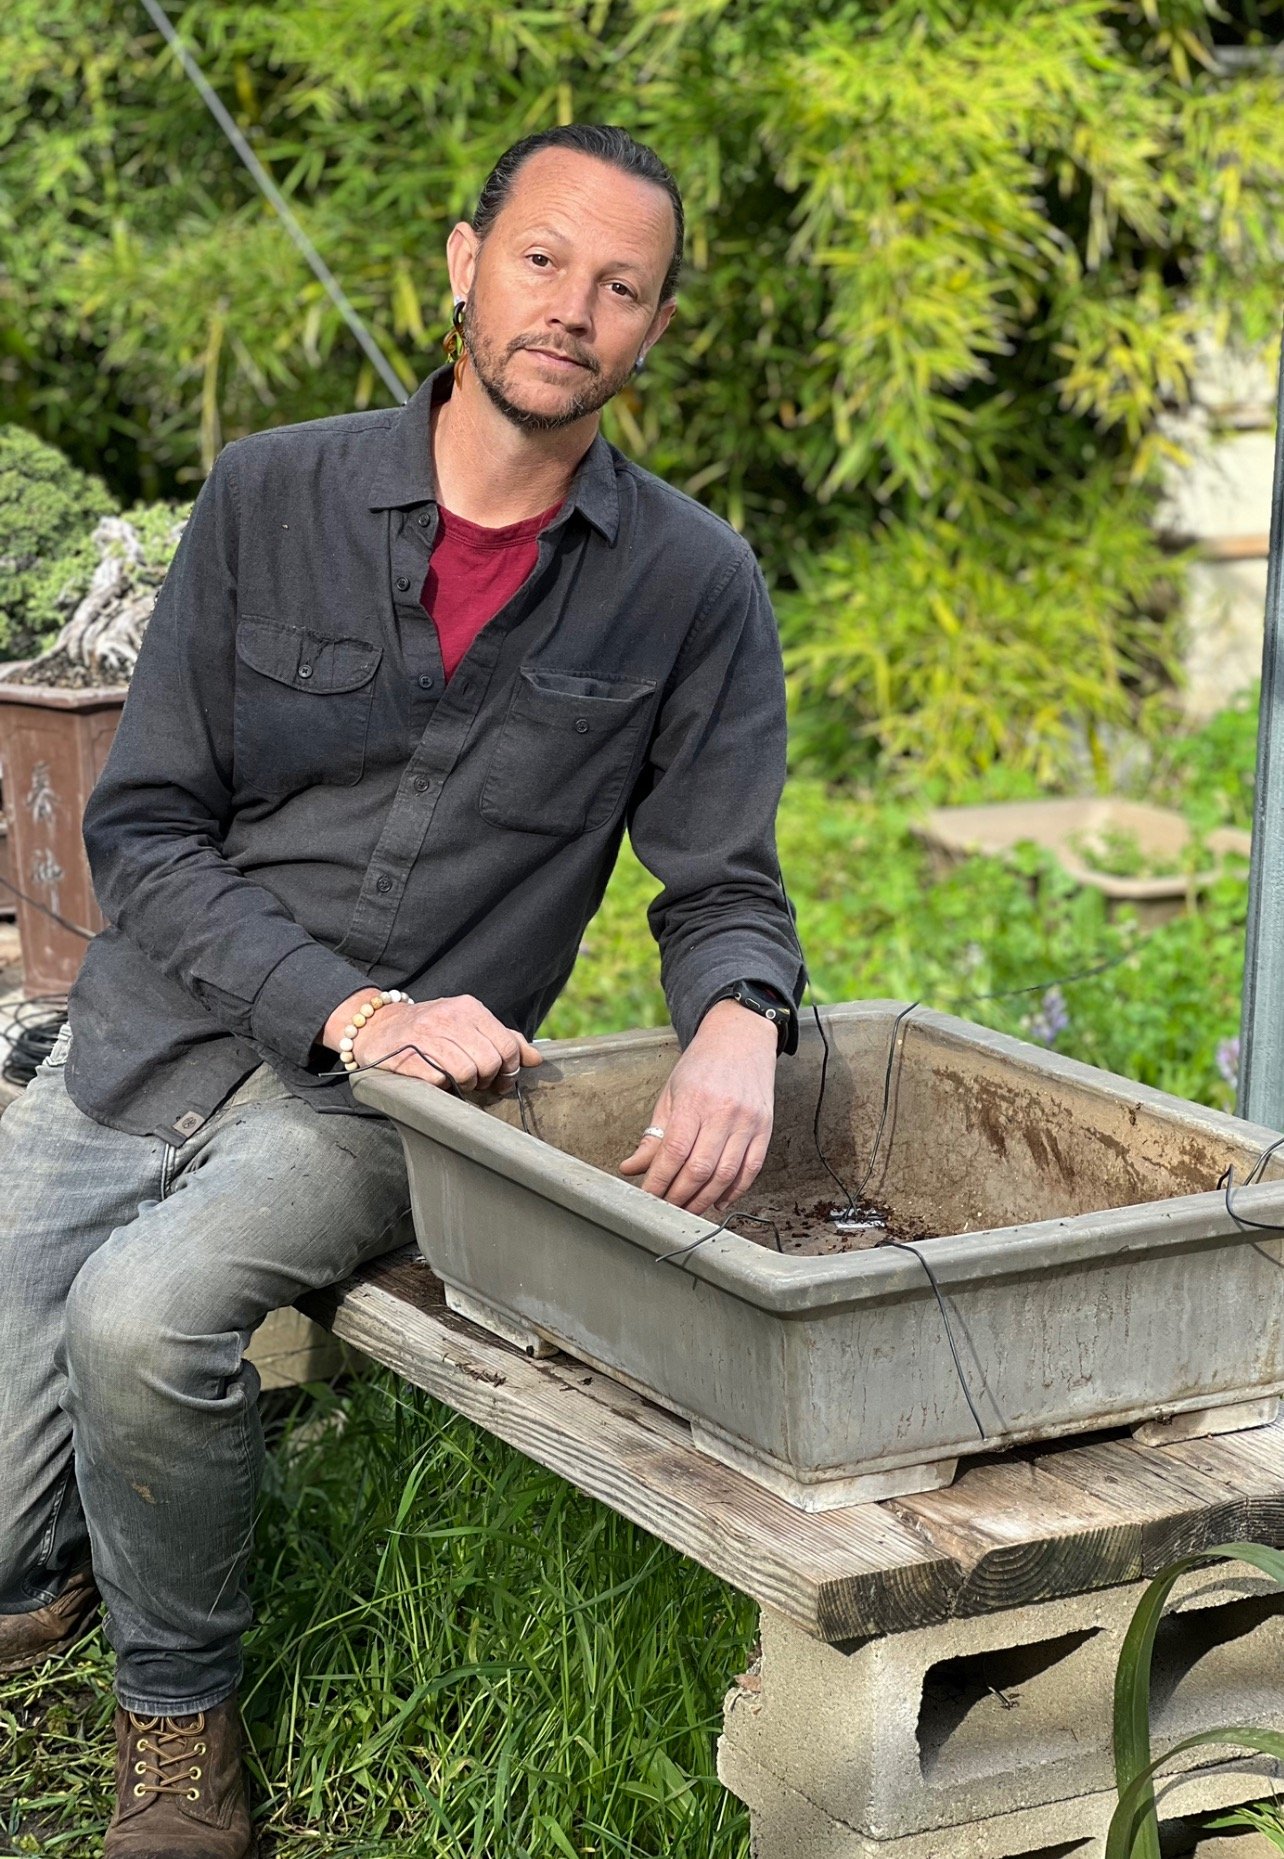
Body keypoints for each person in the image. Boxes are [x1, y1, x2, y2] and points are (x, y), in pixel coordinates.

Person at [0, 124, 801, 1855]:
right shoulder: (269, 495)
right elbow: (141, 828)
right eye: (542, 259)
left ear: (656, 328)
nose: (572, 310)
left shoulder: (691, 585)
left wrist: (744, 1019)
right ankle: (58, 1552)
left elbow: (724, 882)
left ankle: (176, 1719)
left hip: (388, 1106)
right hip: (156, 1027)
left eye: (622, 288)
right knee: (2, 1532)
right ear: (464, 260)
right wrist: (347, 999)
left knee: (142, 1320)